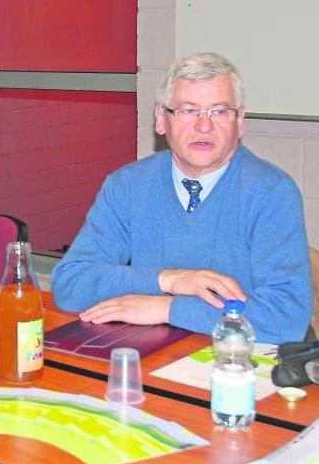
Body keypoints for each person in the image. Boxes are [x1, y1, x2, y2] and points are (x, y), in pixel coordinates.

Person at [51, 52, 312, 344]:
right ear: (162, 120)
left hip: (236, 361)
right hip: (150, 354)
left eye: (219, 111)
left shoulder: (271, 193)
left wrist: (168, 307)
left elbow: (287, 318)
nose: (204, 126)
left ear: (240, 122)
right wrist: (167, 280)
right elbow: (70, 285)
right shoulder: (127, 185)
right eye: (189, 110)